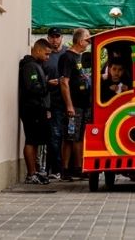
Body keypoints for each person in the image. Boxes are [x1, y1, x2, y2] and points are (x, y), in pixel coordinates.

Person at [58, 28, 91, 181]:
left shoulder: (80, 58)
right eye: (87, 38)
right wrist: (69, 105)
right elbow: (64, 82)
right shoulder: (67, 57)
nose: (89, 41)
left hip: (84, 104)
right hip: (74, 105)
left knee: (79, 137)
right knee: (69, 136)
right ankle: (65, 169)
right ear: (80, 41)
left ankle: (79, 168)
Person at [19, 39, 53, 184]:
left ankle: (36, 170)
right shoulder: (30, 66)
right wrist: (47, 84)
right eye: (46, 54)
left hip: (38, 108)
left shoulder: (37, 65)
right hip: (31, 108)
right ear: (38, 50)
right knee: (31, 140)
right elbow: (33, 87)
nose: (48, 57)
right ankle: (31, 173)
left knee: (37, 140)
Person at [41, 28, 65, 179]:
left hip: (69, 101)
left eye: (57, 37)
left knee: (69, 137)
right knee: (54, 136)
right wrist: (47, 82)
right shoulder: (45, 56)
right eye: (52, 37)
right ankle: (55, 169)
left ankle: (68, 167)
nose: (55, 40)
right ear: (48, 38)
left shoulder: (68, 53)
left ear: (62, 38)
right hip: (52, 102)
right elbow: (39, 77)